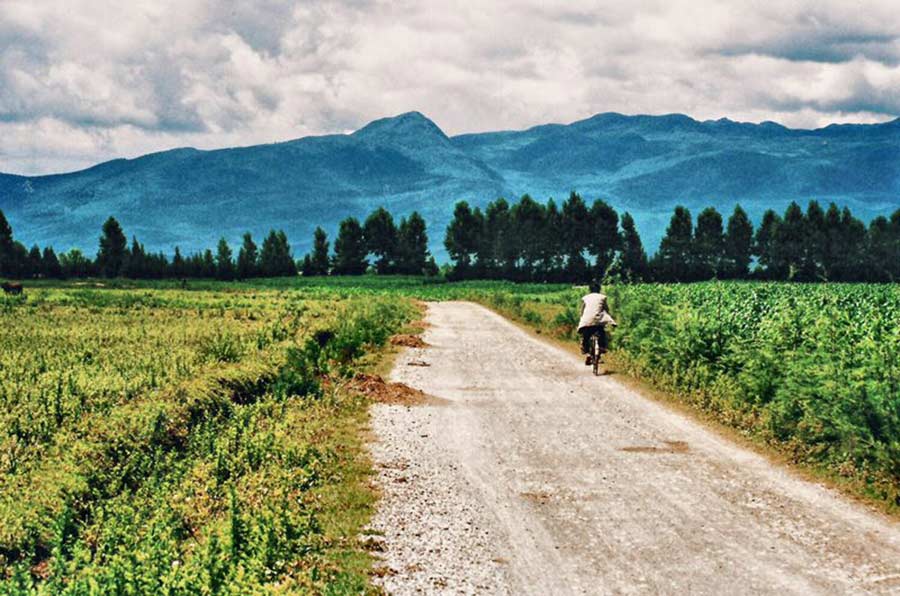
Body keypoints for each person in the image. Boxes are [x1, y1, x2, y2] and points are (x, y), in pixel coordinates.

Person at [577, 280, 616, 365]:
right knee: (602, 334)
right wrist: (609, 316)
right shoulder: (602, 297)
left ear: (590, 290)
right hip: (598, 321)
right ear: (599, 289)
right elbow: (606, 308)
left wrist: (581, 317)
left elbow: (582, 310)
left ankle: (587, 353)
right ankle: (601, 349)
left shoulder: (585, 298)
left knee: (586, 337)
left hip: (587, 321)